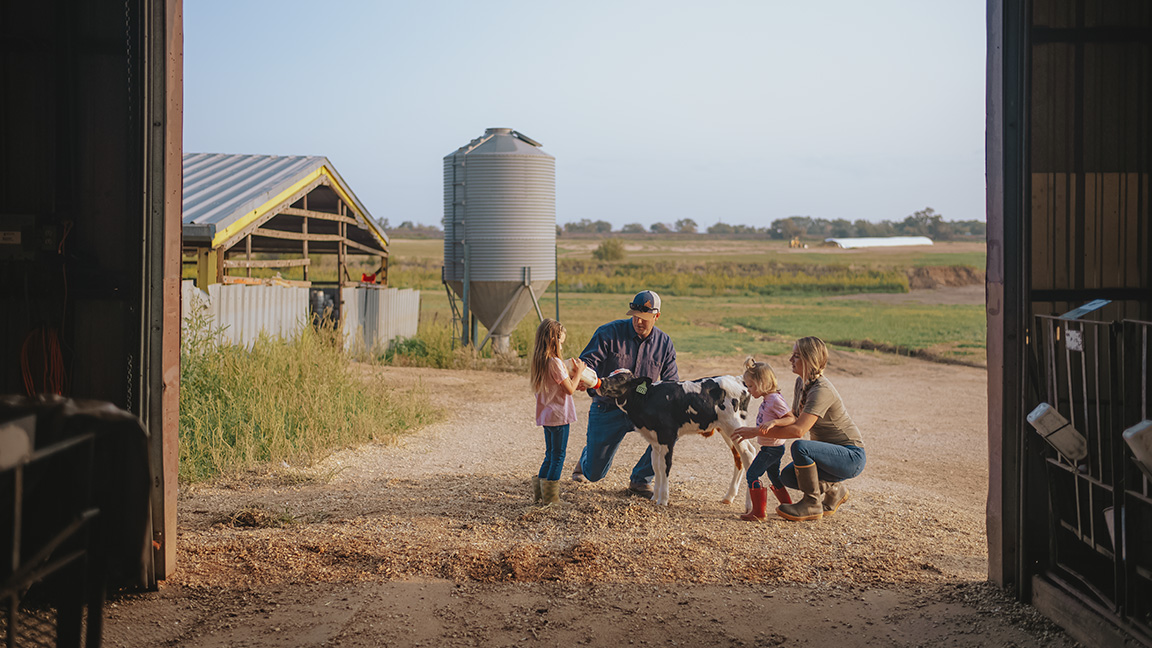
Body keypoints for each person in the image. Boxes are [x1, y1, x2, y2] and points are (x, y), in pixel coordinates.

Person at [731, 336, 865, 521]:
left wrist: (755, 432)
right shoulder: (801, 383)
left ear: (809, 360)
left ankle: (812, 504)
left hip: (851, 457)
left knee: (800, 447)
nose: (790, 360)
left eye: (796, 356)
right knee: (787, 477)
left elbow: (798, 430)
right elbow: (792, 418)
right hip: (830, 458)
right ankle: (835, 489)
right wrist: (770, 425)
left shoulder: (821, 390)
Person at [572, 290, 678, 499]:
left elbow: (671, 384)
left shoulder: (665, 344)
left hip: (644, 409)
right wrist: (583, 379)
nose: (638, 321)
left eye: (645, 318)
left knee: (669, 431)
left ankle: (641, 480)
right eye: (635, 316)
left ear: (657, 317)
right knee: (594, 474)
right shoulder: (608, 333)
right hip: (608, 406)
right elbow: (587, 364)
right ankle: (588, 457)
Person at [530, 319, 587, 506]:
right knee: (558, 456)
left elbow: (559, 386)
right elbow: (569, 389)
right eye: (561, 340)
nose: (563, 343)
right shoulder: (555, 362)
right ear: (554, 339)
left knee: (550, 454)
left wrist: (572, 380)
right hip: (559, 416)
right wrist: (579, 372)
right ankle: (552, 500)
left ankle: (540, 495)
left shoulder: (540, 360)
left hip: (547, 415)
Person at [732, 356, 792, 522]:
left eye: (751, 386)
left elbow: (790, 418)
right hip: (771, 447)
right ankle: (788, 505)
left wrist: (775, 422)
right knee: (774, 476)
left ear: (762, 383)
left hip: (772, 449)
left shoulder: (774, 400)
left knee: (752, 474)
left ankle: (759, 512)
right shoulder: (768, 399)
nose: (749, 390)